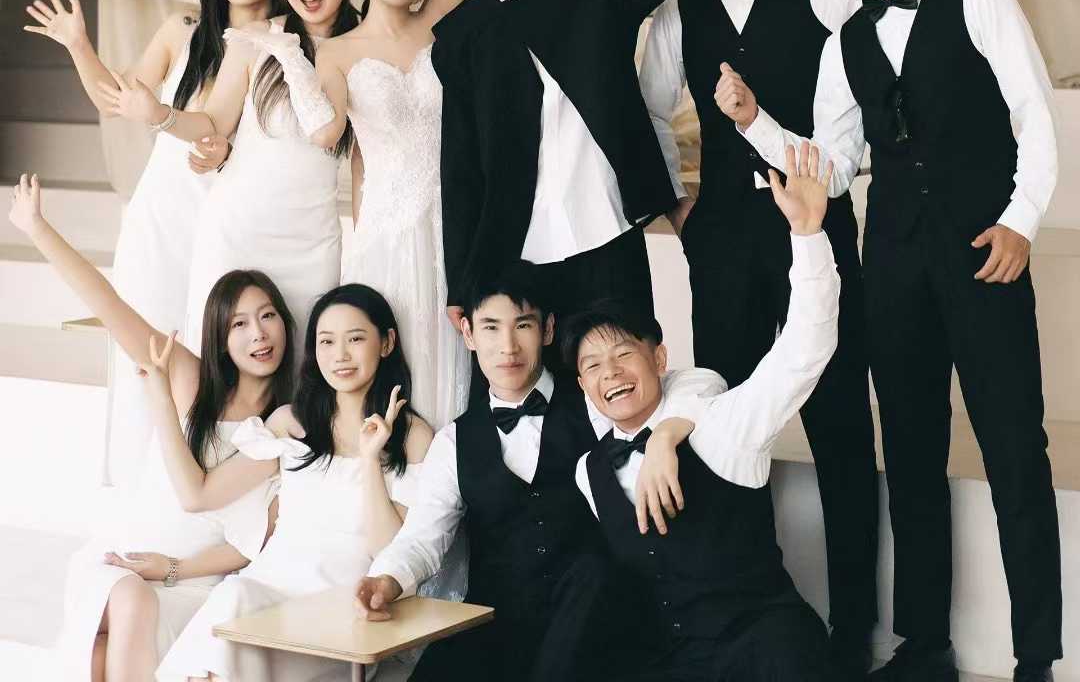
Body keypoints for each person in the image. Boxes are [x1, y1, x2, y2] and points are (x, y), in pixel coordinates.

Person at [639, 0, 1056, 677]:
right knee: (823, 445)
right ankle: (841, 639)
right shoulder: (718, 19)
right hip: (807, 252)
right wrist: (706, 168)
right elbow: (794, 153)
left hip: (906, 245)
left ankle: (950, 648)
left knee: (938, 446)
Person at [354, 260, 715, 682]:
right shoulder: (453, 441)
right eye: (491, 327)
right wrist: (385, 580)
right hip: (495, 625)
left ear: (547, 330)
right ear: (468, 333)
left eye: (522, 325)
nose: (508, 347)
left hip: (592, 620)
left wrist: (665, 435)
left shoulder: (595, 398)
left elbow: (698, 382)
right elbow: (422, 536)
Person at [566, 142, 840, 682]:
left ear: (659, 358)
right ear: (581, 385)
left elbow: (803, 352)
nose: (611, 374)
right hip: (677, 661)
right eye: (593, 366)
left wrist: (808, 236)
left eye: (624, 355)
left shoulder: (721, 426)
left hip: (764, 651)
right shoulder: (587, 472)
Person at [24, 0, 282, 479]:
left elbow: (241, 131)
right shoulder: (180, 30)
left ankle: (209, 477)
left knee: (212, 349)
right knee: (142, 343)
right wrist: (79, 45)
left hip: (229, 216)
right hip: (160, 213)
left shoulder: (283, 41)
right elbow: (114, 98)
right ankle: (143, 479)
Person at [8, 173, 292, 682]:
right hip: (121, 564)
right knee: (130, 601)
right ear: (220, 337)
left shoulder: (281, 428)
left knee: (99, 658)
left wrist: (173, 569)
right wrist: (38, 230)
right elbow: (110, 308)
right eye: (239, 324)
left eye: (267, 316)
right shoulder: (191, 381)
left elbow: (246, 542)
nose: (258, 334)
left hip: (190, 587)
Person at [305, 0, 511, 428]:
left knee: (455, 379)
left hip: (452, 228)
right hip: (385, 237)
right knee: (388, 385)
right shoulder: (335, 52)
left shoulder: (439, 24)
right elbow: (330, 136)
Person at [431, 0, 682, 333]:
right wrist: (461, 281)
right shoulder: (460, 36)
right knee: (536, 379)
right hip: (517, 248)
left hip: (610, 227)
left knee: (625, 364)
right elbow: (460, 167)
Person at [100, 0, 358, 348]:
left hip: (312, 241)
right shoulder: (254, 38)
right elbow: (214, 122)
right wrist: (160, 114)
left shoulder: (361, 45)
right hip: (237, 230)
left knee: (300, 364)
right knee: (221, 363)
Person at [157, 283, 432, 682]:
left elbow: (389, 551)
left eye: (355, 339)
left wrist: (371, 458)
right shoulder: (290, 422)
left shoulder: (413, 436)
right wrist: (161, 397)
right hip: (266, 590)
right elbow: (198, 495)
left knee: (227, 633)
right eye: (327, 341)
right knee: (232, 601)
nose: (340, 355)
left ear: (387, 342)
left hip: (339, 610)